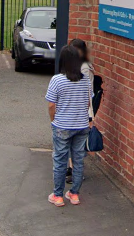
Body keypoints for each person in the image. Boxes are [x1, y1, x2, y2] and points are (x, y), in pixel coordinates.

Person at [45, 45, 92, 207]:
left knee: (60, 160)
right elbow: (88, 102)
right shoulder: (85, 80)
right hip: (81, 126)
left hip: (62, 126)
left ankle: (57, 195)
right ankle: (74, 194)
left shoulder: (57, 80)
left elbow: (51, 105)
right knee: (78, 161)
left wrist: (53, 120)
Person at [66, 38, 95, 184]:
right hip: (75, 110)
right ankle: (72, 169)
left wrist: (88, 116)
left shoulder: (84, 68)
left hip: (82, 112)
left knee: (77, 145)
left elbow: (87, 92)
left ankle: (76, 173)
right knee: (73, 143)